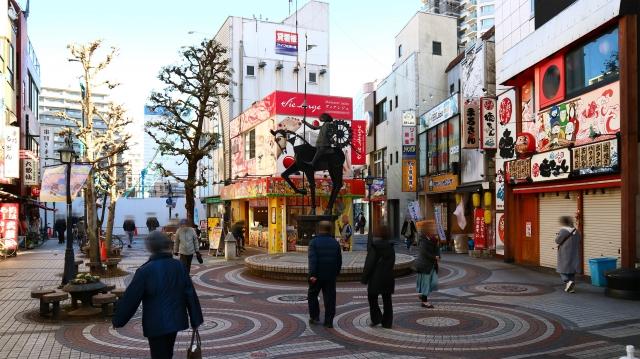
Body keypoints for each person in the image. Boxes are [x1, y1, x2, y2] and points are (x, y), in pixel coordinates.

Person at [113, 231, 203, 359]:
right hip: (175, 321)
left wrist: (118, 320)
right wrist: (196, 319)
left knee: (159, 355)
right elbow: (190, 293)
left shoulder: (144, 271)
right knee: (168, 352)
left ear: (151, 248)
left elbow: (131, 299)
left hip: (155, 324)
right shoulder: (179, 266)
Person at [308, 220, 342, 328]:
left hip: (317, 276)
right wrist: (335, 273)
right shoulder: (335, 243)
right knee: (330, 298)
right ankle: (328, 321)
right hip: (330, 276)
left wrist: (312, 274)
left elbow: (313, 260)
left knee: (312, 295)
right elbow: (339, 261)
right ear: (330, 230)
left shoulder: (313, 242)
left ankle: (314, 316)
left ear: (319, 229)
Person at [361, 225, 395, 328]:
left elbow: (369, 263)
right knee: (387, 300)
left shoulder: (375, 246)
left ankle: (376, 318)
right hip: (388, 277)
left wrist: (365, 278)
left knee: (372, 298)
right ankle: (387, 322)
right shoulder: (391, 247)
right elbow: (392, 262)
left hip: (376, 278)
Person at [555, 216, 581, 293]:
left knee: (561, 269)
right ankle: (570, 288)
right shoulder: (576, 231)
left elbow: (557, 241)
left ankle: (567, 282)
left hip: (565, 252)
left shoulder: (563, 230)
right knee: (571, 270)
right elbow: (579, 239)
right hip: (574, 252)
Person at [415, 230, 440, 308]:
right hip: (424, 265)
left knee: (434, 283)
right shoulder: (422, 240)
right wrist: (434, 257)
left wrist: (438, 256)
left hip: (432, 265)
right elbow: (424, 252)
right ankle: (424, 301)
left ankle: (422, 294)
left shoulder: (434, 239)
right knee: (425, 284)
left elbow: (437, 250)